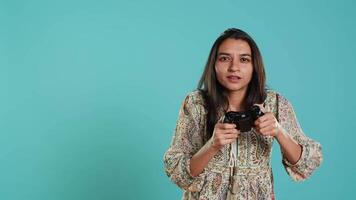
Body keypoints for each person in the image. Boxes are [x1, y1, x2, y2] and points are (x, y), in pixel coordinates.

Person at [163, 28, 322, 200]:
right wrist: (212, 145)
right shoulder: (196, 104)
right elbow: (177, 172)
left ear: (255, 66)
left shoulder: (275, 103)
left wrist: (278, 131)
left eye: (244, 60)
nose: (234, 68)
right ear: (214, 64)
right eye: (225, 58)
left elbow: (307, 164)